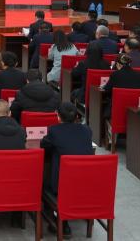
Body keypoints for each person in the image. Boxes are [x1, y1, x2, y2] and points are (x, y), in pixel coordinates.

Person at [41, 102, 94, 238]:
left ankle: (57, 219)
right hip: (86, 184)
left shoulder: (54, 131)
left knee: (43, 181)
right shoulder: (87, 130)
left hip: (63, 187)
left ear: (58, 117)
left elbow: (43, 145)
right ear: (77, 116)